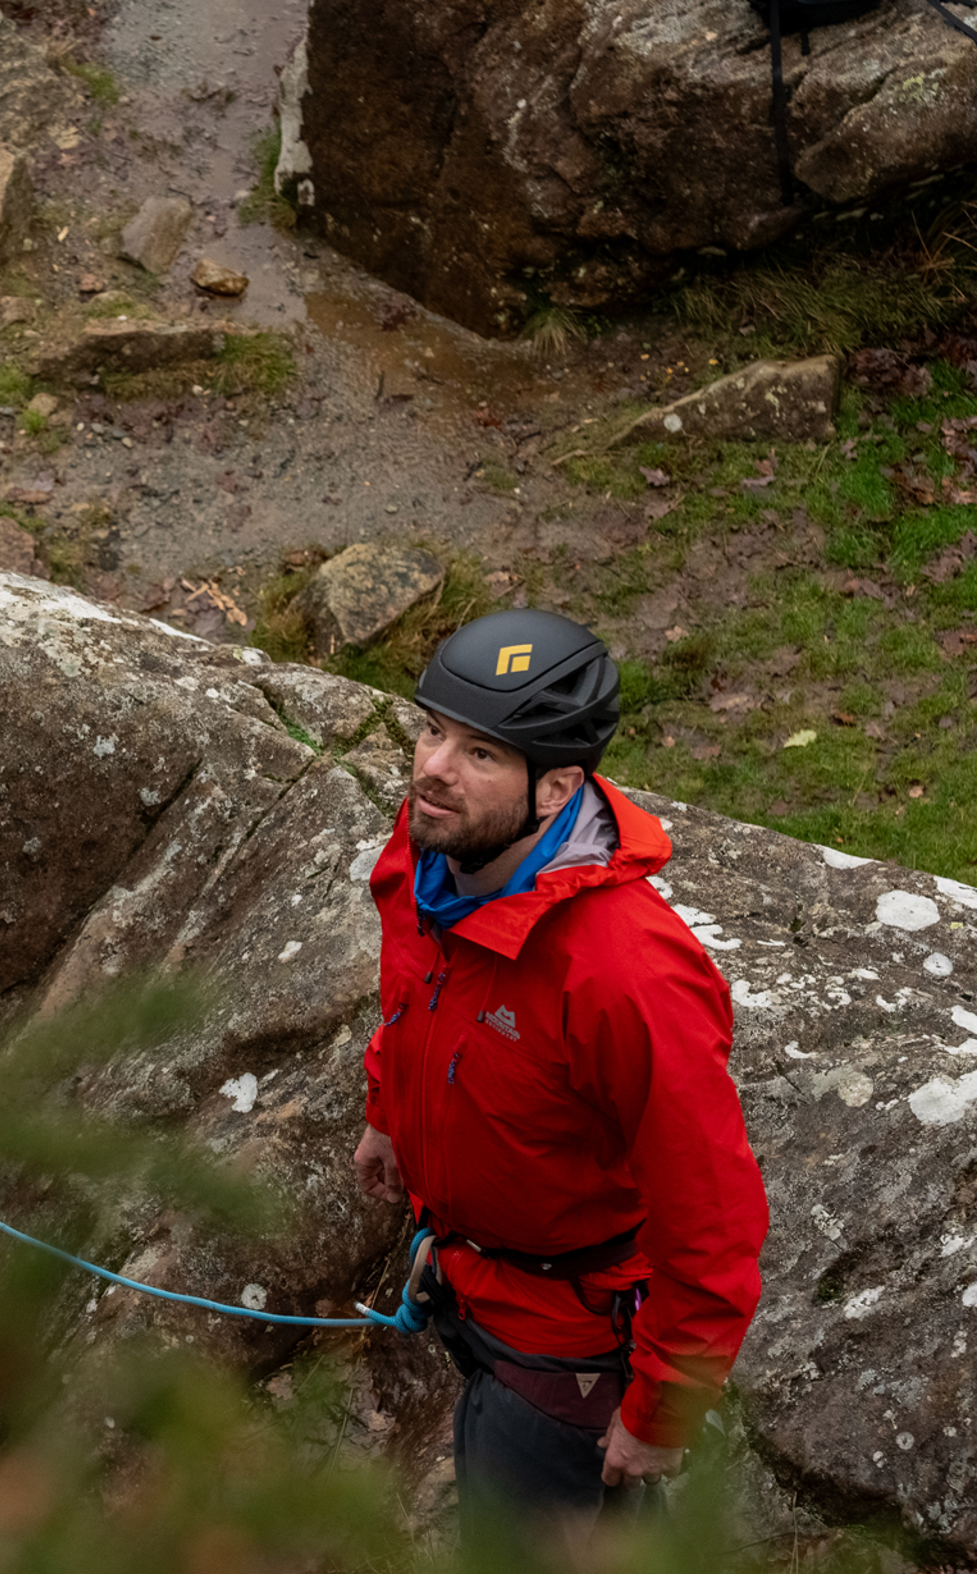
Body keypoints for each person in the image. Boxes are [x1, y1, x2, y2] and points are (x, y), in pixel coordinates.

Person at [351, 608, 768, 1536]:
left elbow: (710, 1211)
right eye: (431, 731)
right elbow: (413, 983)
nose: (433, 769)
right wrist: (388, 1112)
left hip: (567, 1344)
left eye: (480, 753)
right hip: (466, 1272)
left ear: (557, 787)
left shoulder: (626, 973)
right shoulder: (436, 845)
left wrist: (662, 1409)